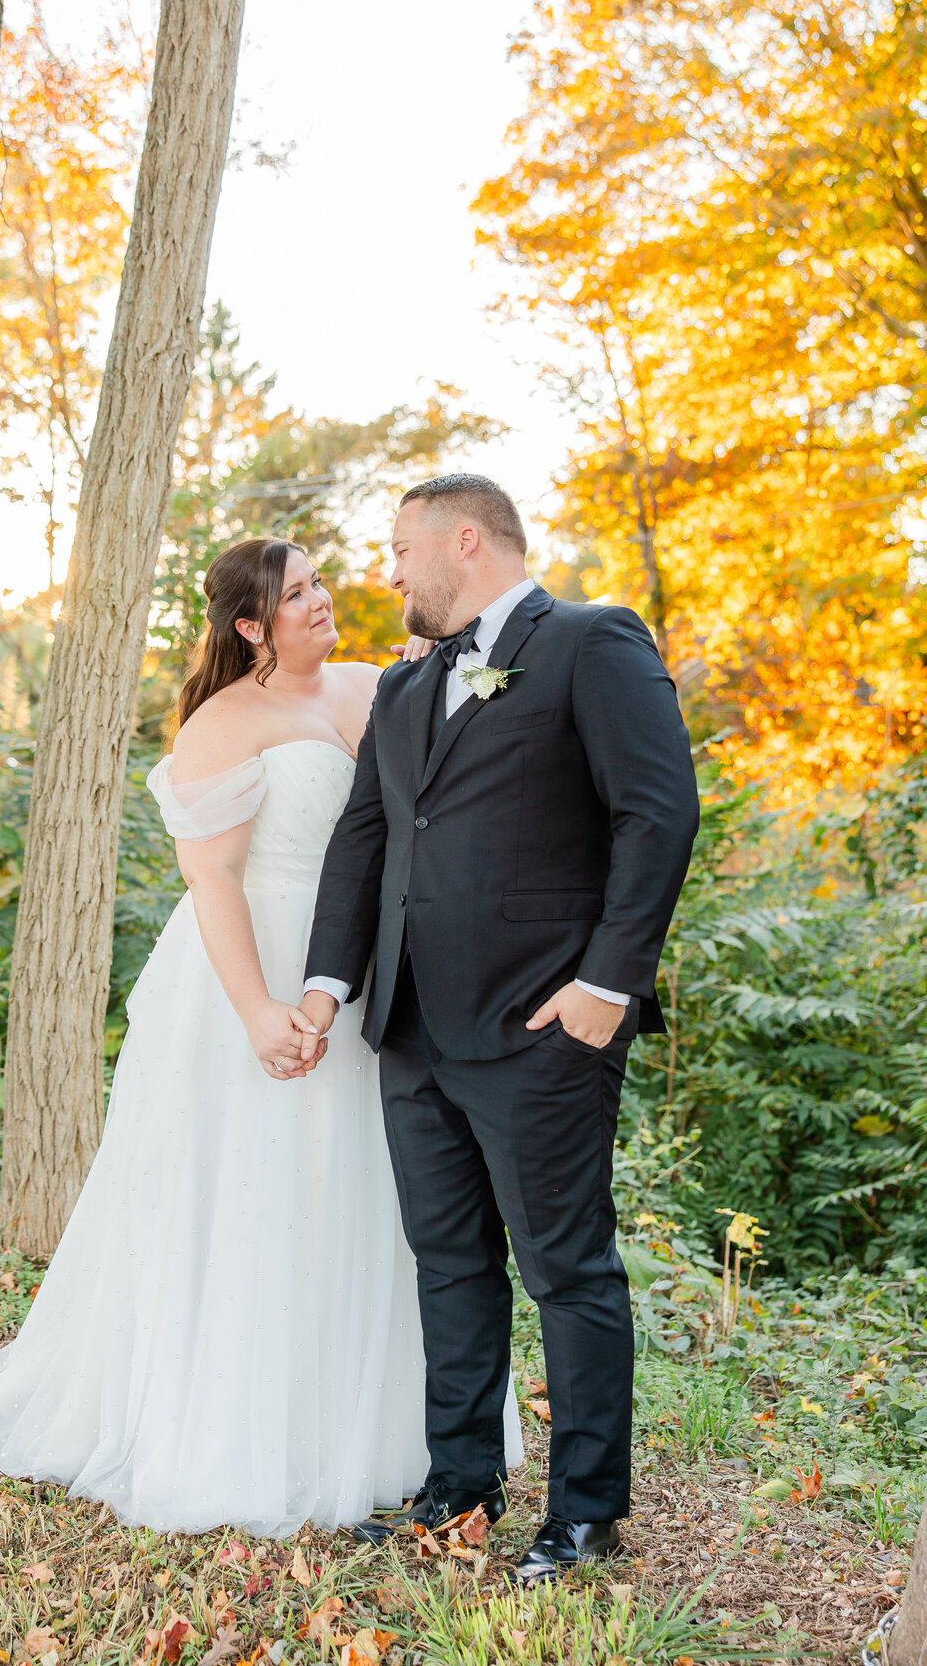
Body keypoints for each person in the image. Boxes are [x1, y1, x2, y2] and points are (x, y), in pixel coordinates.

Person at [0, 534, 522, 1536]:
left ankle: (384, 1428)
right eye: (298, 595)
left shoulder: (372, 686)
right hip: (248, 967)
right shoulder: (220, 724)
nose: (322, 601)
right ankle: (245, 1430)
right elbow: (212, 881)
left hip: (364, 974)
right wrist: (257, 1009)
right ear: (251, 623)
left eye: (321, 583)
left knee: (365, 1192)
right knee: (260, 1190)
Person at [300, 473, 700, 1580]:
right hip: (413, 1029)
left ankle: (584, 1513)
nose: (384, 575)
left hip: (543, 1026)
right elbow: (365, 841)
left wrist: (604, 988)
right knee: (447, 1264)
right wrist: (332, 985)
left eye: (395, 551)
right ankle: (459, 1483)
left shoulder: (590, 641)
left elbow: (657, 813)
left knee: (567, 1271)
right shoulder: (400, 683)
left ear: (462, 540)